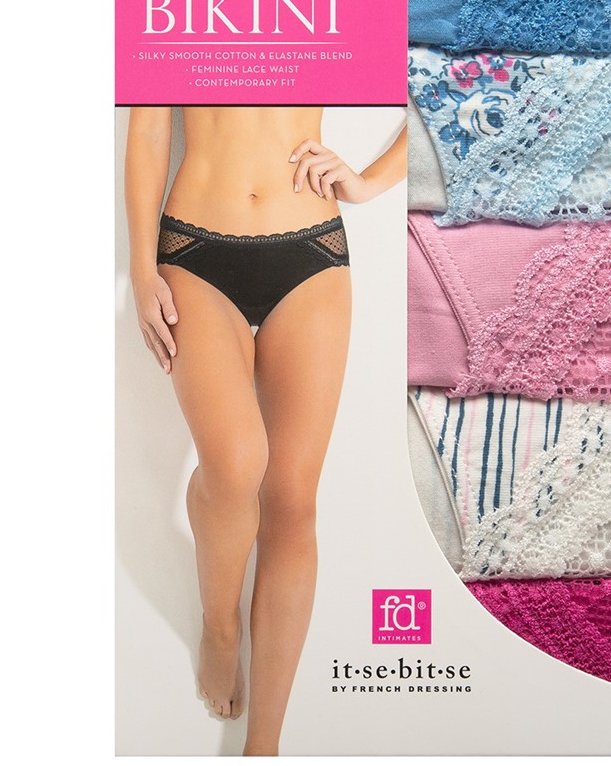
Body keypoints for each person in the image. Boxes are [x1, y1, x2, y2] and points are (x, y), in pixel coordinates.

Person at [125, 106, 406, 755]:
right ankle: (221, 626)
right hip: (194, 251)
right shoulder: (173, 23)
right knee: (235, 463)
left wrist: (369, 181)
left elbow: (448, 82)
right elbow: (150, 127)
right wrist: (141, 268)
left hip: (312, 252)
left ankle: (264, 747)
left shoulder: (346, 16)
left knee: (292, 501)